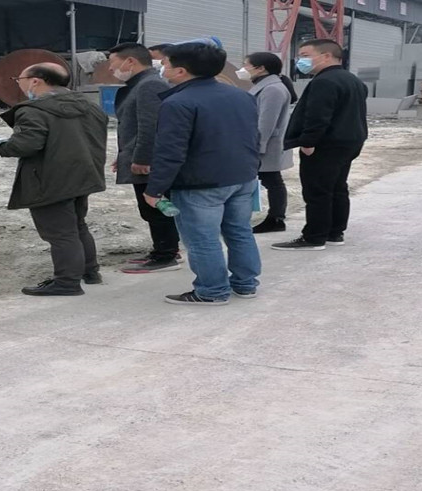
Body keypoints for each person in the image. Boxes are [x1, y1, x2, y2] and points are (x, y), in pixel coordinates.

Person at [144, 40, 262, 305]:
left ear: (181, 71)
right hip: (241, 176)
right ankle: (245, 284)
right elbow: (254, 136)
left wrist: (155, 189)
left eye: (165, 63)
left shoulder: (178, 103)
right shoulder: (241, 96)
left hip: (200, 182)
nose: (162, 67)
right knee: (240, 232)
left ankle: (212, 291)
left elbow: (170, 151)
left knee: (202, 239)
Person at [0, 63, 109, 296]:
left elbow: (27, 144)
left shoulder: (34, 110)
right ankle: (90, 272)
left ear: (35, 81)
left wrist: (5, 147)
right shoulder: (90, 106)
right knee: (77, 225)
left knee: (60, 233)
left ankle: (67, 282)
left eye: (19, 79)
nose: (19, 85)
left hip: (49, 179)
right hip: (84, 175)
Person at [272, 38, 368, 251]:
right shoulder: (352, 80)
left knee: (317, 191)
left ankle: (314, 237)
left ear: (326, 56)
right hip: (349, 142)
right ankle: (335, 232)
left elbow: (317, 116)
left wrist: (308, 142)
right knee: (337, 187)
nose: (300, 60)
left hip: (326, 145)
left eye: (306, 56)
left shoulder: (324, 82)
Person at [107, 43, 180, 274]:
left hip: (149, 162)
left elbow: (150, 127)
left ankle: (166, 255)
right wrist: (124, 156)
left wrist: (142, 159)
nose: (110, 68)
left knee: (155, 207)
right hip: (140, 157)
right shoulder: (139, 84)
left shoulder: (149, 85)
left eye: (113, 63)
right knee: (150, 208)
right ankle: (163, 249)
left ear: (130, 61)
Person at [237, 51, 296, 234]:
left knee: (273, 181)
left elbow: (266, 123)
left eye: (246, 64)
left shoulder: (273, 89)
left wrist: (257, 147)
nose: (243, 68)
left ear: (261, 68)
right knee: (272, 180)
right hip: (261, 143)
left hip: (266, 145)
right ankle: (275, 218)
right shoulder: (267, 86)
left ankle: (276, 218)